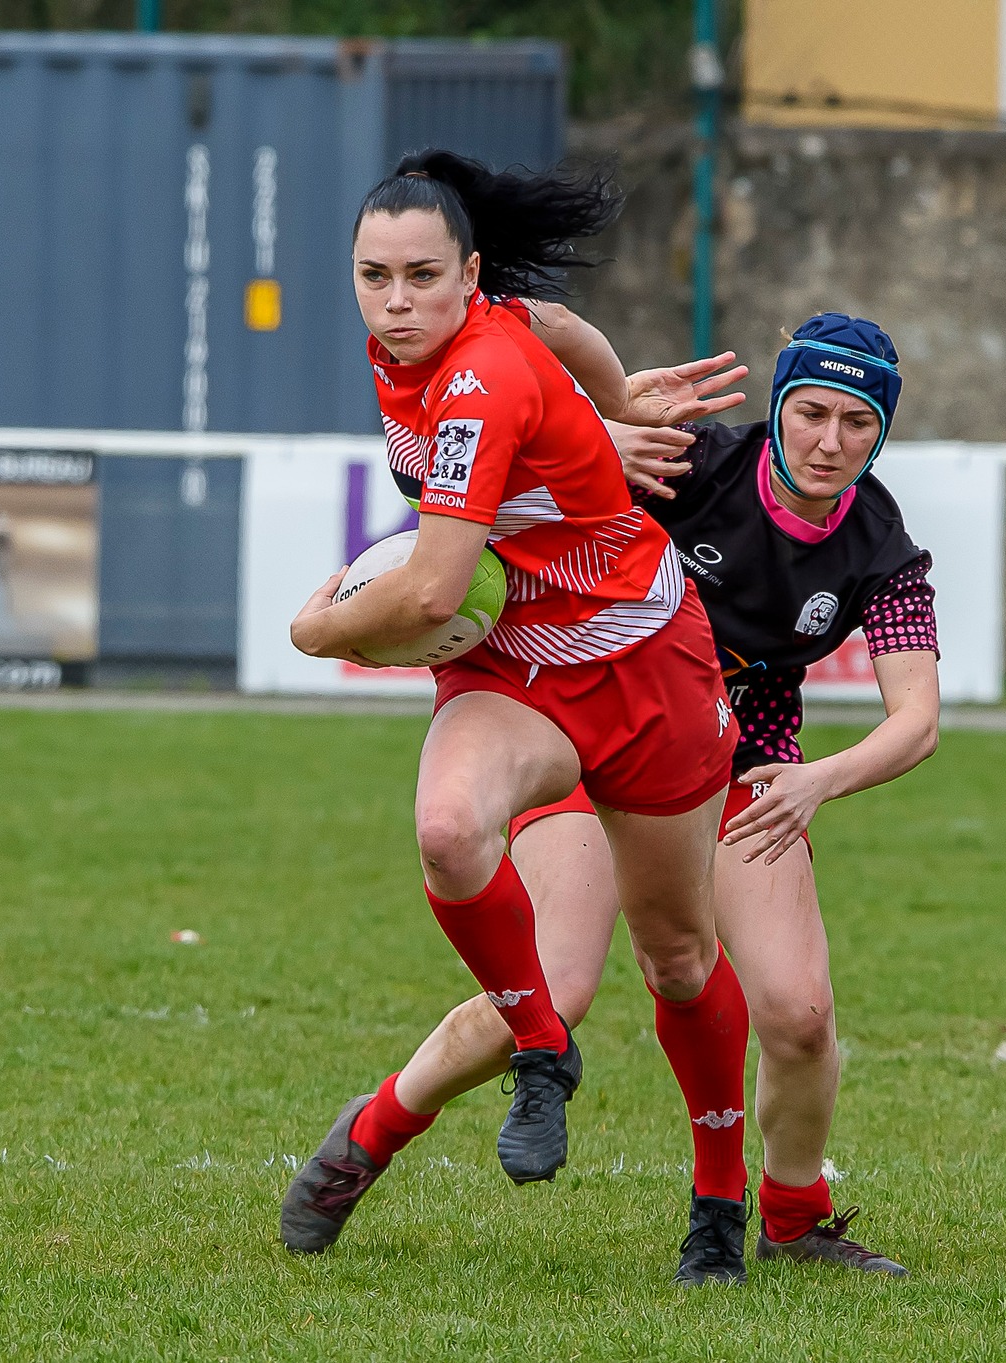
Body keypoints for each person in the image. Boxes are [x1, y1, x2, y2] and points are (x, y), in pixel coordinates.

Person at [285, 310, 940, 1289]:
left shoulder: (882, 550)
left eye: (856, 422)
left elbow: (915, 719)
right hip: (593, 726)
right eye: (809, 413)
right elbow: (510, 477)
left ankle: (794, 1218)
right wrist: (600, 422)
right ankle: (370, 1134)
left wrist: (815, 778)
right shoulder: (686, 462)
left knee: (800, 1013)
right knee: (553, 998)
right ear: (779, 407)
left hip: (743, 765)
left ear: (880, 431)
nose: (829, 441)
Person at [279, 151, 737, 1259]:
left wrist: (319, 625)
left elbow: (434, 588)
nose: (395, 301)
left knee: (676, 954)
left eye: (422, 277)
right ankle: (540, 1047)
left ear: (467, 274)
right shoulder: (421, 340)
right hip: (511, 667)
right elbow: (565, 329)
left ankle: (718, 1201)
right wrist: (610, 407)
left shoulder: (479, 372)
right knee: (447, 828)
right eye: (373, 275)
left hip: (637, 662)